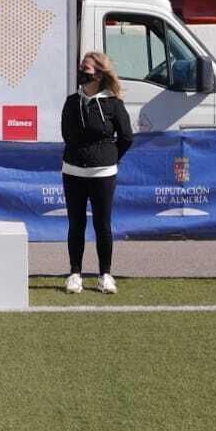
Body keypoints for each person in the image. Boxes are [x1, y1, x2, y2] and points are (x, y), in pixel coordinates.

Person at [60, 51, 133, 294]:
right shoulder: (71, 102)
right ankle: (75, 273)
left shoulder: (114, 104)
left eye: (87, 69)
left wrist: (110, 158)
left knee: (103, 225)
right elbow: (66, 135)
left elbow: (126, 138)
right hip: (72, 171)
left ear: (99, 75)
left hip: (103, 173)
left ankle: (105, 275)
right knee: (76, 224)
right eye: (81, 68)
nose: (82, 72)